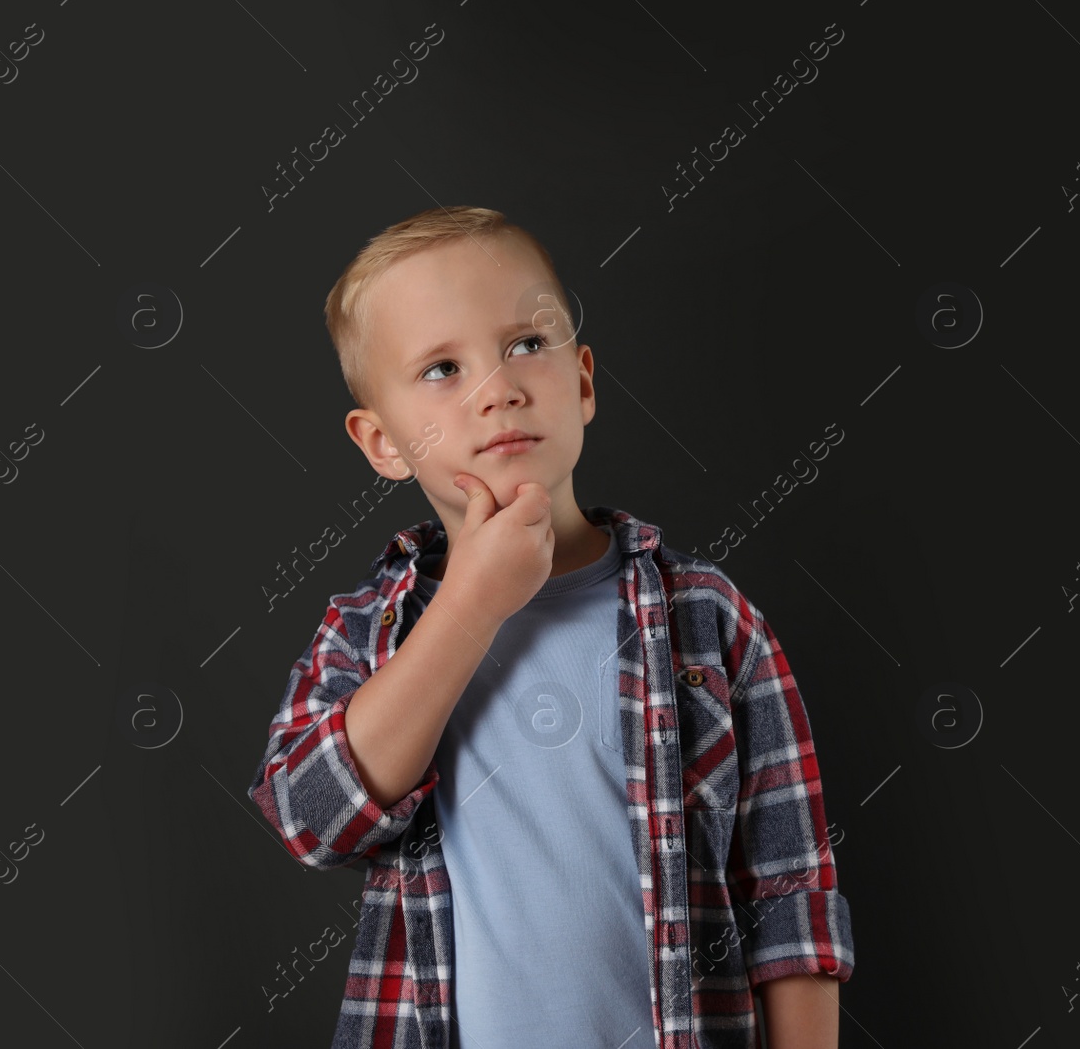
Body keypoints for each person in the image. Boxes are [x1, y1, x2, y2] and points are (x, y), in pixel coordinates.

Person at [247, 206, 854, 1048]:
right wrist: (471, 602)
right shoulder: (367, 630)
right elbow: (310, 817)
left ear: (584, 382)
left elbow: (789, 892)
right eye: (441, 368)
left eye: (527, 344)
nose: (497, 386)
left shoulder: (706, 616)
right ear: (383, 442)